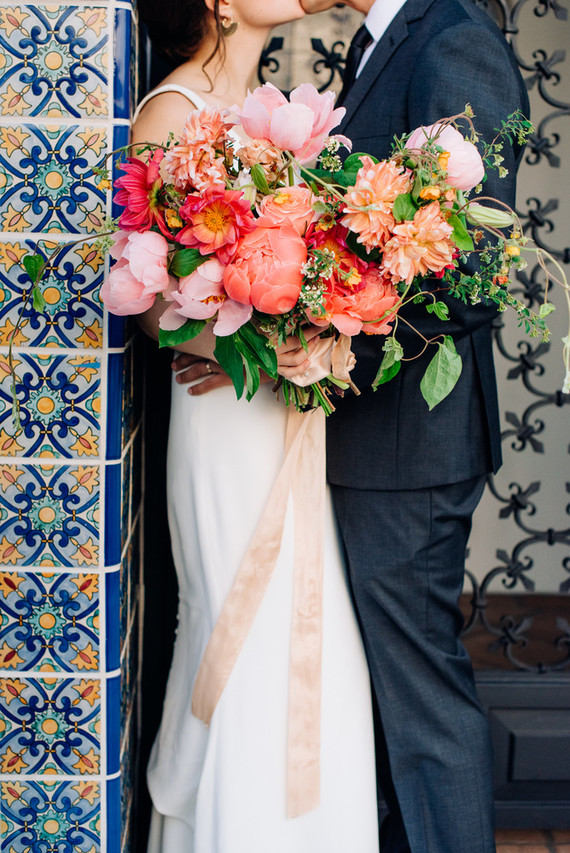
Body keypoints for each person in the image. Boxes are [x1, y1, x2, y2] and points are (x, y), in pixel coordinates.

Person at [176, 1, 530, 851]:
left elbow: (469, 272)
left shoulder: (454, 43)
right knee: (389, 698)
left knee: (420, 700)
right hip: (369, 444)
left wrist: (317, 356)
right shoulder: (386, 43)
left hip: (408, 448)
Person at [131, 1, 379, 851]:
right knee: (239, 623)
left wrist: (326, 321)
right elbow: (152, 302)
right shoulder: (171, 113)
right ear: (220, 3)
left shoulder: (265, 116)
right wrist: (275, 337)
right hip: (224, 416)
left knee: (313, 629)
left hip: (286, 415)